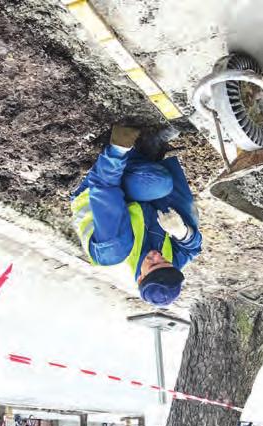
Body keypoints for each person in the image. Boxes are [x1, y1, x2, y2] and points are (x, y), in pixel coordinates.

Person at [70, 125, 203, 307]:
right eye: (166, 262)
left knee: (158, 183)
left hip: (98, 193)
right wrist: (183, 234)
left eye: (154, 264)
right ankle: (148, 150)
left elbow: (103, 188)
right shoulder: (166, 267)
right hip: (133, 204)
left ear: (140, 278)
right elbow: (192, 249)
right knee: (189, 223)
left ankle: (139, 150)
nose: (159, 256)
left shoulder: (115, 253)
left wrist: (117, 150)